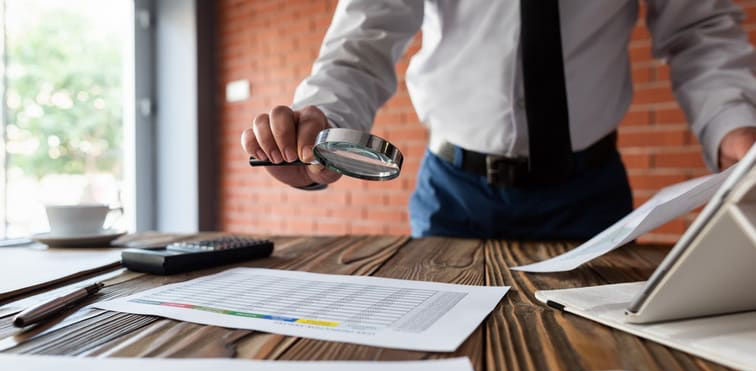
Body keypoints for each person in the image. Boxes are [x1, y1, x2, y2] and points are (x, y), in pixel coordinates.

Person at [240, 0, 756, 239]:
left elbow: (701, 28)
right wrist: (323, 123)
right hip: (455, 193)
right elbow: (362, 40)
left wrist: (736, 129)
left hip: (591, 193)